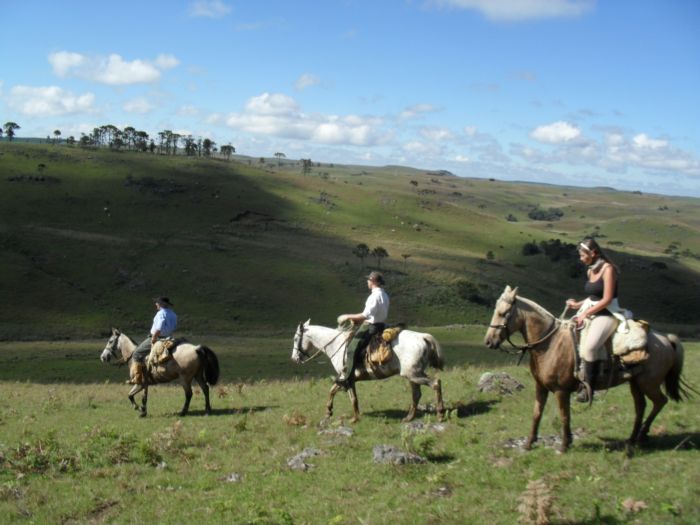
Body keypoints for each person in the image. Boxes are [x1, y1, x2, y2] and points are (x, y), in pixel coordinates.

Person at [565, 238, 622, 403]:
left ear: (593, 253)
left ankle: (588, 389)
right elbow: (593, 296)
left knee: (589, 348)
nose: (581, 259)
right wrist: (577, 305)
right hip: (592, 312)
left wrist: (585, 313)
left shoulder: (608, 269)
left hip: (608, 314)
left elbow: (607, 299)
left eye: (583, 255)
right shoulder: (590, 270)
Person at [336, 271, 390, 388]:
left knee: (351, 349)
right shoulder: (384, 295)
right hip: (382, 325)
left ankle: (347, 379)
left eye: (369, 280)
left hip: (371, 327)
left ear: (374, 281)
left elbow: (365, 315)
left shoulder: (374, 296)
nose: (367, 282)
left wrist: (347, 316)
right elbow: (374, 314)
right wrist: (357, 320)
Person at [129, 297, 178, 385]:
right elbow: (174, 327)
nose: (156, 304)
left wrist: (154, 338)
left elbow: (159, 327)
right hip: (169, 337)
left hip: (158, 337)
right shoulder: (173, 314)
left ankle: (137, 378)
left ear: (162, 304)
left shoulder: (160, 314)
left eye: (157, 302)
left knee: (136, 353)